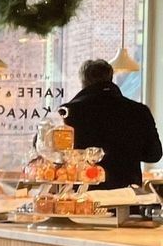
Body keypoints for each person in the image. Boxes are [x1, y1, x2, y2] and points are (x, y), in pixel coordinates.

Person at [63, 58, 162, 190]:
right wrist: (128, 150)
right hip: (127, 193)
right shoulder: (139, 111)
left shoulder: (70, 112)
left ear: (83, 82)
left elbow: (58, 155)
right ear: (110, 78)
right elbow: (154, 154)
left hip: (84, 194)